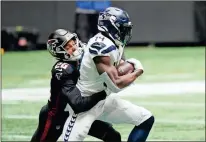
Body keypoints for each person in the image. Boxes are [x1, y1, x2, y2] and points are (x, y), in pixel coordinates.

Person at [62, 7, 154, 142]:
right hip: (83, 105)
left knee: (146, 119)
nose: (125, 31)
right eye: (122, 28)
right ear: (111, 27)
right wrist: (137, 71)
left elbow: (119, 68)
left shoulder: (114, 43)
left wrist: (129, 65)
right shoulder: (100, 46)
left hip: (102, 99)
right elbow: (116, 84)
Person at [30, 29, 121, 142]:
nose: (74, 47)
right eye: (67, 47)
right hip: (57, 116)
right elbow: (79, 104)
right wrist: (104, 91)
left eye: (73, 42)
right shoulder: (63, 69)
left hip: (79, 114)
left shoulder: (85, 56)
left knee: (113, 136)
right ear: (59, 51)